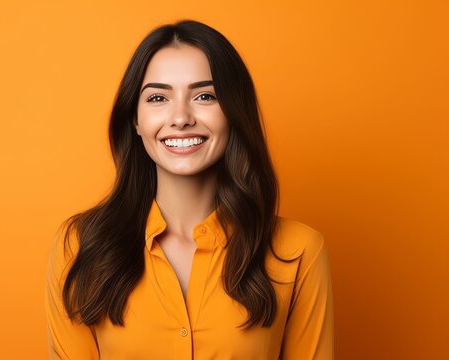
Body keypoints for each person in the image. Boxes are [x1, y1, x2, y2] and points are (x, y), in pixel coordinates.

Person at [45, 19, 334, 359]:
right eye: (157, 97)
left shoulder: (299, 252)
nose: (180, 117)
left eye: (204, 95)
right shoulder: (80, 246)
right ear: (136, 120)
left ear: (233, 113)